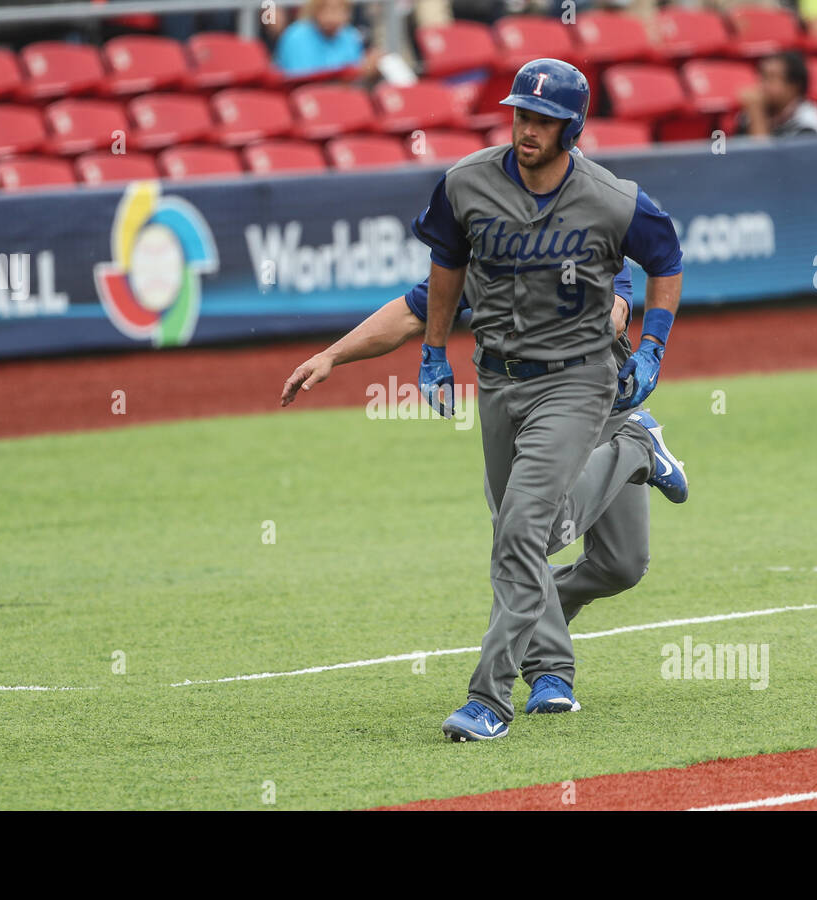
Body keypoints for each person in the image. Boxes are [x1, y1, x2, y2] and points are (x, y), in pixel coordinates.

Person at [280, 255, 690, 717]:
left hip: (597, 390)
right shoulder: (490, 247)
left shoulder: (591, 222)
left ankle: (636, 451)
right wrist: (332, 354)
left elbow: (618, 312)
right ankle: (549, 672)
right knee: (526, 532)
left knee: (622, 564)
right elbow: (412, 311)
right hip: (515, 403)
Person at [409, 58, 686, 741]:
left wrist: (652, 345)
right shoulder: (466, 183)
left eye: (542, 120)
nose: (526, 128)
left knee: (523, 533)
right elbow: (445, 267)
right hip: (498, 381)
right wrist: (433, 351)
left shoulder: (610, 196)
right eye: (520, 114)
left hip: (579, 376)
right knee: (526, 532)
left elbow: (666, 259)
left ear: (571, 126)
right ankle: (635, 451)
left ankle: (489, 699)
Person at [737, 51, 817, 138]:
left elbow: (764, 156)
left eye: (770, 78)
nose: (762, 85)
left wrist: (757, 115)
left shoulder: (807, 127)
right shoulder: (749, 117)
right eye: (762, 78)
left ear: (794, 87)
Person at [273, 0, 377, 78]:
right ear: (315, 10)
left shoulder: (350, 36)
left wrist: (367, 70)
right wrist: (358, 72)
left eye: (340, 9)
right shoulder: (295, 36)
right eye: (326, 9)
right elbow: (301, 80)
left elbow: (355, 75)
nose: (333, 16)